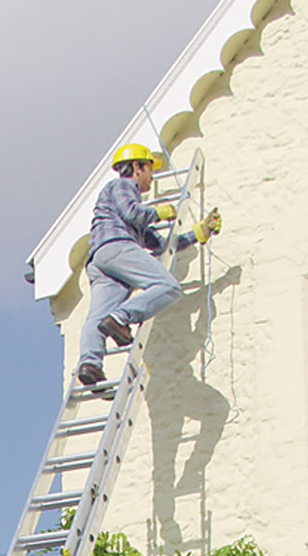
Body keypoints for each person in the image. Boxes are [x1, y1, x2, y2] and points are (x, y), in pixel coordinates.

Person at [76, 142, 221, 387]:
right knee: (168, 286)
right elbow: (133, 212)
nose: (151, 179)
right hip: (117, 246)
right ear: (136, 167)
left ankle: (90, 364)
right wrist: (159, 212)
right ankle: (121, 318)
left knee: (97, 315)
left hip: (101, 260)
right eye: (150, 171)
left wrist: (199, 233)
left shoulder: (123, 211)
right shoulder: (123, 185)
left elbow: (160, 246)